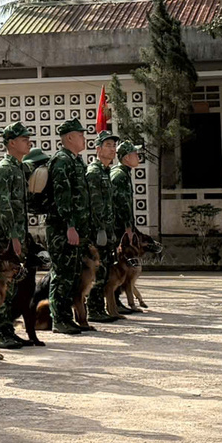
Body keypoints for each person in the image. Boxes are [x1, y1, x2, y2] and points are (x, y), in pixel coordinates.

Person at [0, 123, 35, 349]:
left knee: (13, 285)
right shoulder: (3, 170)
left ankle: (7, 329)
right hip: (4, 239)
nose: (29, 142)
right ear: (12, 143)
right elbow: (2, 206)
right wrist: (13, 237)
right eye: (24, 139)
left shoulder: (18, 168)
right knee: (2, 284)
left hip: (16, 236)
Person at [45, 119, 92, 334]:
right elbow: (62, 197)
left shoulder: (77, 161)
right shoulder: (61, 161)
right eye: (80, 135)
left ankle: (70, 317)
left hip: (77, 228)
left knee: (73, 274)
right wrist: (70, 226)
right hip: (62, 229)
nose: (84, 138)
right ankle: (59, 319)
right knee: (62, 274)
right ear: (70, 137)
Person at [83, 131, 121, 323]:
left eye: (114, 146)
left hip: (108, 231)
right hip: (97, 232)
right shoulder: (94, 172)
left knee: (105, 271)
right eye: (108, 145)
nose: (112, 149)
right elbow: (94, 204)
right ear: (98, 149)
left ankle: (100, 308)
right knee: (97, 272)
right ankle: (94, 309)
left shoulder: (106, 171)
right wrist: (99, 229)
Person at [108, 141, 142, 314]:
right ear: (127, 157)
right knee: (118, 266)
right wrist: (128, 228)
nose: (138, 157)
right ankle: (114, 302)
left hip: (121, 227)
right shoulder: (119, 175)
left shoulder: (124, 173)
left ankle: (117, 301)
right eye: (135, 154)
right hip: (118, 228)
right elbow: (121, 205)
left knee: (122, 266)